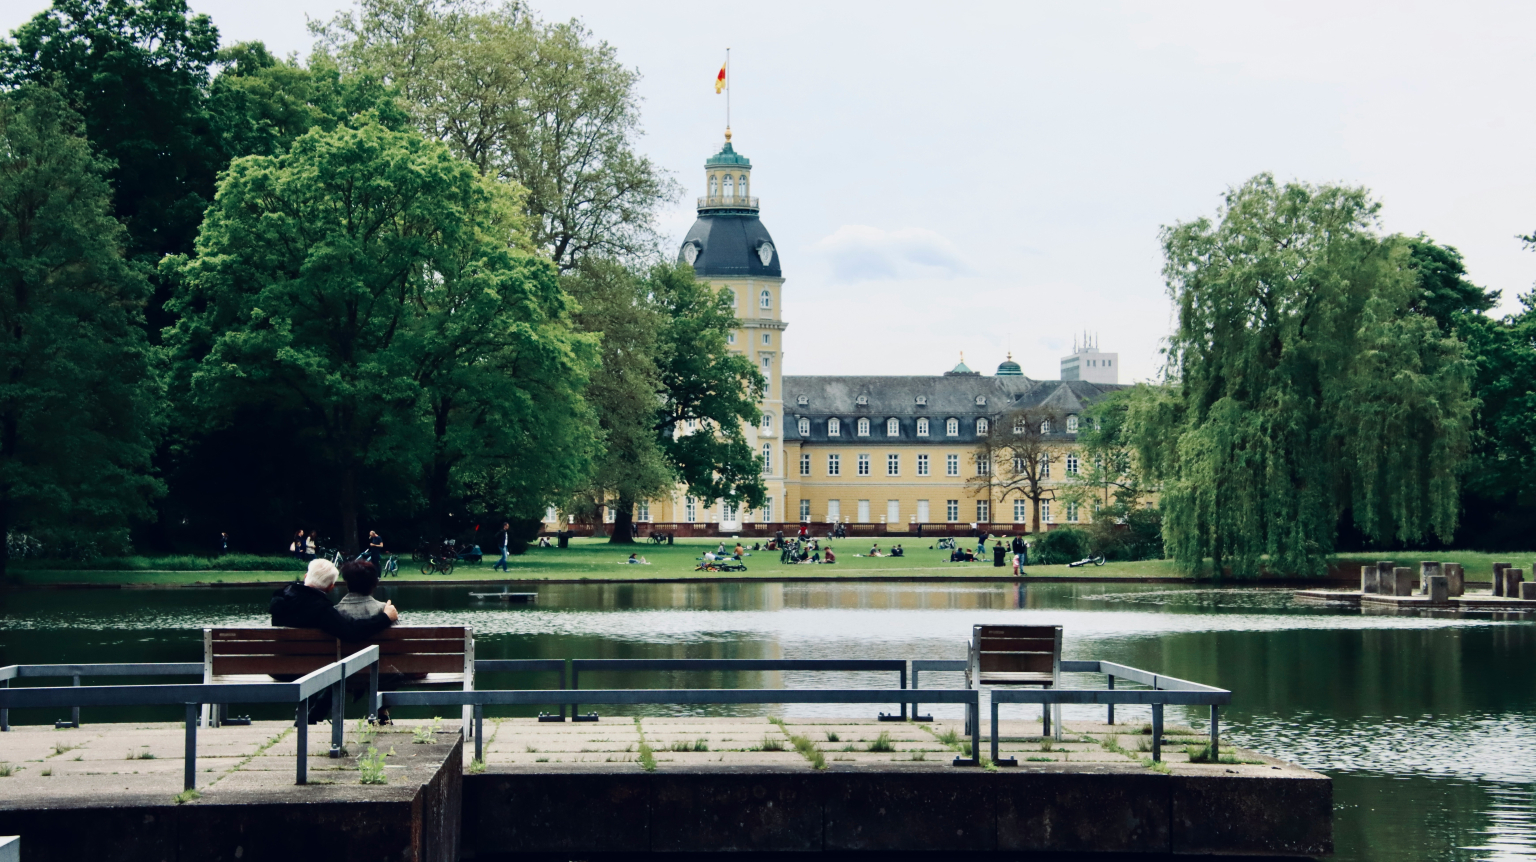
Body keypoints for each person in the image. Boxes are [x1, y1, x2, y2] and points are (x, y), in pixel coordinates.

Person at [271, 559, 399, 723]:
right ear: (331, 587)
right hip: (310, 671)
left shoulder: (281, 598)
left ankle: (311, 714)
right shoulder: (321, 609)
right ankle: (378, 712)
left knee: (340, 670)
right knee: (341, 671)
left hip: (279, 668)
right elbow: (351, 632)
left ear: (305, 576)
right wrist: (386, 617)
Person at [334, 560, 403, 724]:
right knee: (391, 667)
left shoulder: (334, 612)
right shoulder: (385, 610)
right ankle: (381, 710)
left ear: (347, 583)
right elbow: (399, 644)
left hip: (344, 672)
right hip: (383, 674)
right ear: (374, 584)